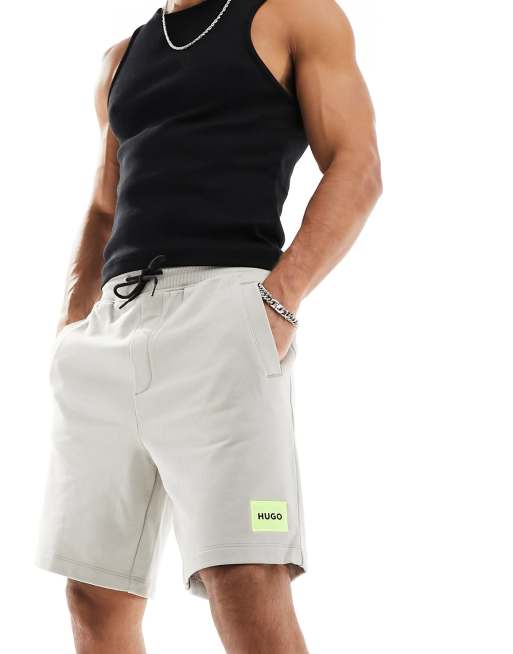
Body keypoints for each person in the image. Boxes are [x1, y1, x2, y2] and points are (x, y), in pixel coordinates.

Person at [35, 0, 381, 651]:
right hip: (109, 330)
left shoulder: (292, 15)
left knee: (245, 573)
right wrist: (72, 324)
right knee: (94, 594)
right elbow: (105, 206)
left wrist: (279, 300)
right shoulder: (122, 58)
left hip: (225, 318)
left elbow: (356, 164)